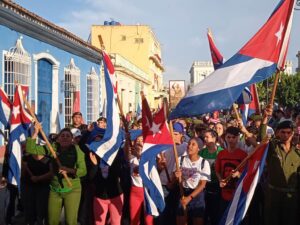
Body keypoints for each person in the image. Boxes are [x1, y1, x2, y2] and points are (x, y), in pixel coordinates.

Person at [26, 124, 87, 225]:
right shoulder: (52, 147)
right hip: (55, 190)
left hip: (72, 189)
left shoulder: (77, 150)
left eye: (68, 136)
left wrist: (68, 170)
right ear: (58, 138)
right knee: (51, 221)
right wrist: (35, 132)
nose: (65, 137)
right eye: (62, 135)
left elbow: (83, 171)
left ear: (72, 139)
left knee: (70, 221)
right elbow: (31, 149)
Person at [261, 106, 300, 225]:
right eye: (282, 132)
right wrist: (265, 118)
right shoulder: (272, 147)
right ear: (277, 133)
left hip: (292, 197)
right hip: (274, 195)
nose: (285, 135)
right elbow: (262, 137)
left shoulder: (298, 152)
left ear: (293, 134)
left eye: (288, 132)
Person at [174, 138, 211, 225]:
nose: (189, 146)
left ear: (199, 148)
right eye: (189, 143)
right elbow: (175, 180)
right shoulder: (180, 160)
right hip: (183, 192)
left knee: (197, 220)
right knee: (180, 220)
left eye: (193, 144)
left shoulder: (204, 163)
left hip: (197, 195)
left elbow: (202, 185)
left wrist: (189, 198)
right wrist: (177, 176)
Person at [215, 126, 247, 217]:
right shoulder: (221, 154)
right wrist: (220, 180)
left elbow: (246, 174)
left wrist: (238, 174)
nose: (231, 140)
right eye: (229, 137)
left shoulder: (243, 155)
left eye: (233, 137)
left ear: (238, 138)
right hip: (224, 194)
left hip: (237, 194)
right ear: (225, 137)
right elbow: (217, 171)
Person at [199, 129, 223, 225]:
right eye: (204, 137)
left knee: (215, 211)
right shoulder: (201, 152)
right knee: (205, 211)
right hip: (204, 185)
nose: (205, 139)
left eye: (207, 137)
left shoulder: (221, 152)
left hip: (218, 184)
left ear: (214, 138)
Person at [128, 135, 153, 225]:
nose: (139, 142)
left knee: (148, 220)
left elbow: (145, 169)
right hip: (135, 191)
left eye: (141, 140)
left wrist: (139, 156)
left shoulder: (150, 155)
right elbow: (126, 153)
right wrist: (127, 139)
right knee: (134, 220)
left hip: (147, 191)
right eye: (137, 140)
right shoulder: (132, 156)